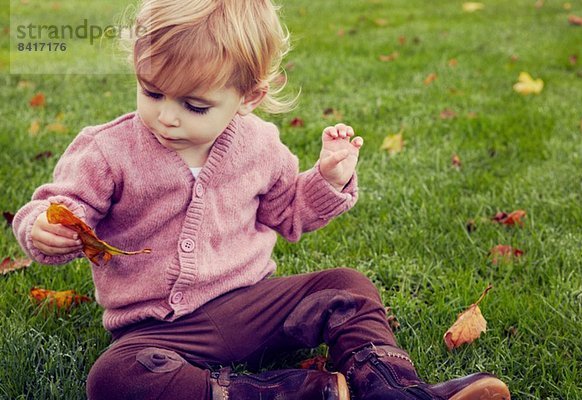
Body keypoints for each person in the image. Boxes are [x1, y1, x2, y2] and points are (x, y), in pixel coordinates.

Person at [12, 1, 511, 399]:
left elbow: (287, 211)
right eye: (151, 92)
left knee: (348, 286)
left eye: (194, 105)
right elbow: (62, 201)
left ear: (247, 96)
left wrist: (328, 180)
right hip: (159, 331)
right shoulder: (109, 149)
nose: (167, 116)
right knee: (115, 378)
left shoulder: (259, 144)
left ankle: (394, 389)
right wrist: (44, 227)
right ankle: (299, 391)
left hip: (253, 305)